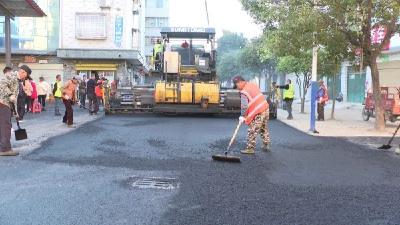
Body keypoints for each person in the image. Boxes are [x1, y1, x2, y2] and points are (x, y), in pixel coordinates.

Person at [232, 75, 271, 154]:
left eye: (236, 86)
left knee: (252, 130)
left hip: (259, 111)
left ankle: (250, 148)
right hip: (265, 108)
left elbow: (244, 106)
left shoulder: (244, 92)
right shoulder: (252, 85)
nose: (237, 88)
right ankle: (266, 144)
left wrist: (242, 116)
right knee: (263, 127)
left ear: (239, 82)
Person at [0, 66, 25, 156]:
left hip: (6, 104)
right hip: (3, 103)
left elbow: (14, 99)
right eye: (25, 75)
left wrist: (16, 113)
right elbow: (2, 83)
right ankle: (5, 149)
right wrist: (10, 94)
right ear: (23, 72)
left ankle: (3, 147)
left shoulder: (17, 80)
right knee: (6, 126)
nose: (25, 78)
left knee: (4, 126)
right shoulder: (13, 76)